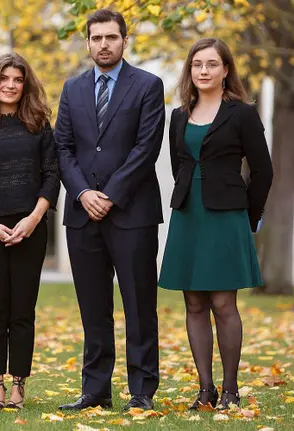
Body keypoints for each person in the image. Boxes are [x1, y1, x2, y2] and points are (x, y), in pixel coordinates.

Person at [54, 9, 166, 411]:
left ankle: (142, 391)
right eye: (97, 37)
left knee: (139, 305)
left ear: (124, 41)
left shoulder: (149, 86)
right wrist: (84, 193)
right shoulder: (72, 88)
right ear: (87, 42)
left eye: (111, 37)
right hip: (83, 216)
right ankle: (96, 390)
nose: (104, 44)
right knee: (93, 307)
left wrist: (111, 195)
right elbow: (62, 148)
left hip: (132, 214)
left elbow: (146, 148)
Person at [158, 38, 273, 410]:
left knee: (223, 303)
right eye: (197, 65)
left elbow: (263, 171)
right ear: (190, 71)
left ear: (226, 70)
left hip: (227, 216)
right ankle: (205, 390)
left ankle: (230, 390)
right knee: (193, 302)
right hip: (188, 214)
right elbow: (180, 168)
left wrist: (248, 216)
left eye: (211, 64)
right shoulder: (178, 116)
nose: (203, 71)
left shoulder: (241, 113)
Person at [0, 53, 60, 410]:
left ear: (25, 84)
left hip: (30, 228)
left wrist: (33, 219)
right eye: (4, 78)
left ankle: (19, 385)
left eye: (17, 79)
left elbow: (52, 176)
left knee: (22, 309)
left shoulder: (38, 125)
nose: (10, 85)